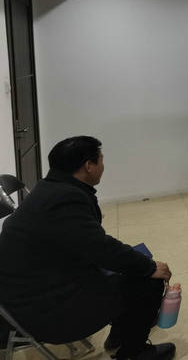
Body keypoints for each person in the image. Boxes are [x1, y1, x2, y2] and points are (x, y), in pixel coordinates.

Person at [0, 137, 174, 360]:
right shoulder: (65, 198)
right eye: (101, 160)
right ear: (88, 166)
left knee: (133, 264)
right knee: (148, 280)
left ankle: (120, 336)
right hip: (44, 310)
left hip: (32, 293)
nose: (103, 166)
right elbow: (101, 249)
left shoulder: (49, 188)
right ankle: (134, 353)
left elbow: (90, 244)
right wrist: (149, 267)